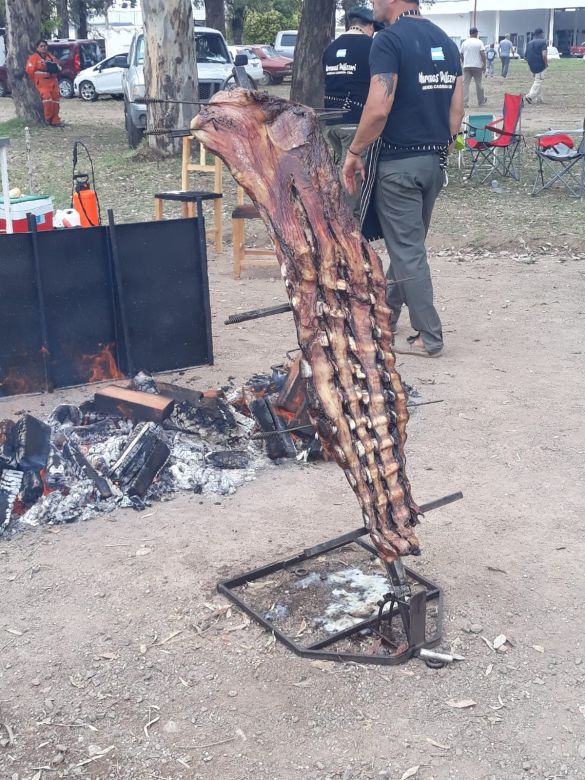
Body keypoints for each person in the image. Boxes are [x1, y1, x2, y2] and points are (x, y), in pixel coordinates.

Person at [341, 0, 463, 358]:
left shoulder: (388, 40)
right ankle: (386, 315)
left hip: (398, 165)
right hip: (432, 163)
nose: (373, 4)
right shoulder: (445, 40)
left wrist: (354, 151)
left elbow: (379, 107)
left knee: (407, 251)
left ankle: (429, 336)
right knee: (405, 245)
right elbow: (457, 111)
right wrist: (439, 147)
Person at [322, 6, 382, 219]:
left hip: (330, 123)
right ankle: (347, 227)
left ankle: (336, 217)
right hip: (355, 123)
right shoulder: (372, 46)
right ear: (370, 26)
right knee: (352, 177)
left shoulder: (331, 48)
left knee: (341, 168)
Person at [25, 39, 62, 127]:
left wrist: (54, 68)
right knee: (47, 99)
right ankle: (47, 119)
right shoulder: (34, 57)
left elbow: (59, 67)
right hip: (42, 83)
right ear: (37, 48)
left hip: (53, 81)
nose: (43, 48)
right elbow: (29, 70)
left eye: (45, 46)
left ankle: (55, 120)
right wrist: (35, 79)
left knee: (55, 100)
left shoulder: (51, 57)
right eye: (41, 46)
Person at [460, 27, 486, 108]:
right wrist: (484, 64)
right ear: (476, 33)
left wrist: (464, 61)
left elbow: (461, 54)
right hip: (477, 66)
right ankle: (481, 101)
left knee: (465, 84)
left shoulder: (464, 42)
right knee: (478, 84)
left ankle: (464, 102)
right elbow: (482, 54)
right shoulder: (479, 42)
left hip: (467, 66)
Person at [524, 28, 548, 105]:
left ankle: (539, 98)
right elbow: (544, 54)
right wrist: (546, 64)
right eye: (543, 33)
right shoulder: (543, 42)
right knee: (538, 81)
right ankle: (530, 96)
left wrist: (530, 64)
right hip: (540, 65)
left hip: (531, 64)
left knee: (537, 80)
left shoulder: (529, 43)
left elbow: (525, 56)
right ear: (541, 34)